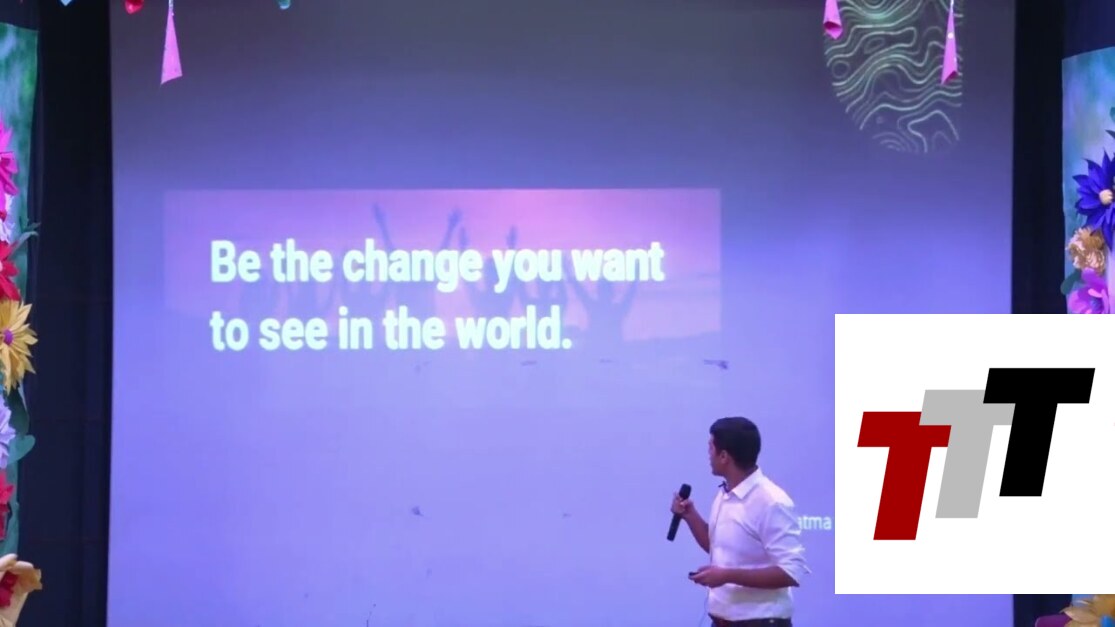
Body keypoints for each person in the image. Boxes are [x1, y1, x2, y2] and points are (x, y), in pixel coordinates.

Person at [670, 417, 808, 627]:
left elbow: (791, 572)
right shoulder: (725, 493)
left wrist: (726, 576)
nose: (708, 454)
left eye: (711, 447)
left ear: (724, 456)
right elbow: (717, 546)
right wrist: (690, 515)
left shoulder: (771, 501)